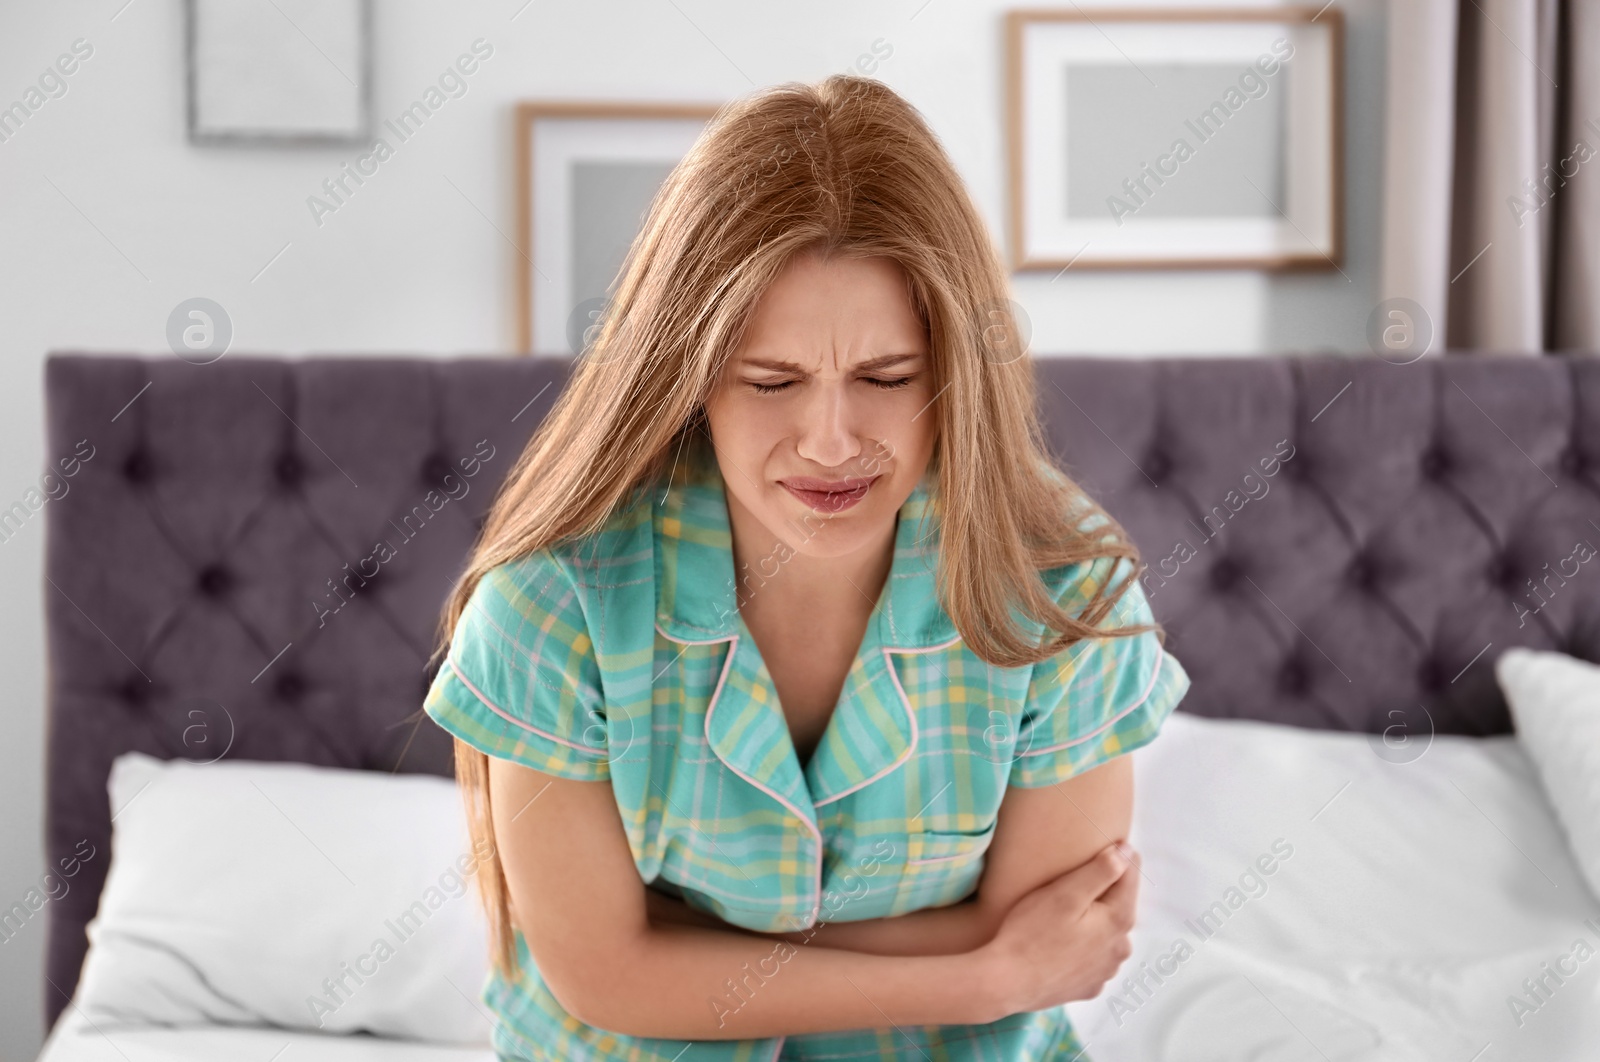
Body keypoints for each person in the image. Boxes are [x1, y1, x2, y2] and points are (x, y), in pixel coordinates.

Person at [423, 73, 1192, 1061]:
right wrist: (988, 976)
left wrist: (682, 955)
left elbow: (1067, 929)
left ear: (954, 373)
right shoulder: (551, 603)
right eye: (771, 382)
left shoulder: (1062, 586)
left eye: (887, 379)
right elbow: (601, 975)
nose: (830, 443)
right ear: (686, 377)